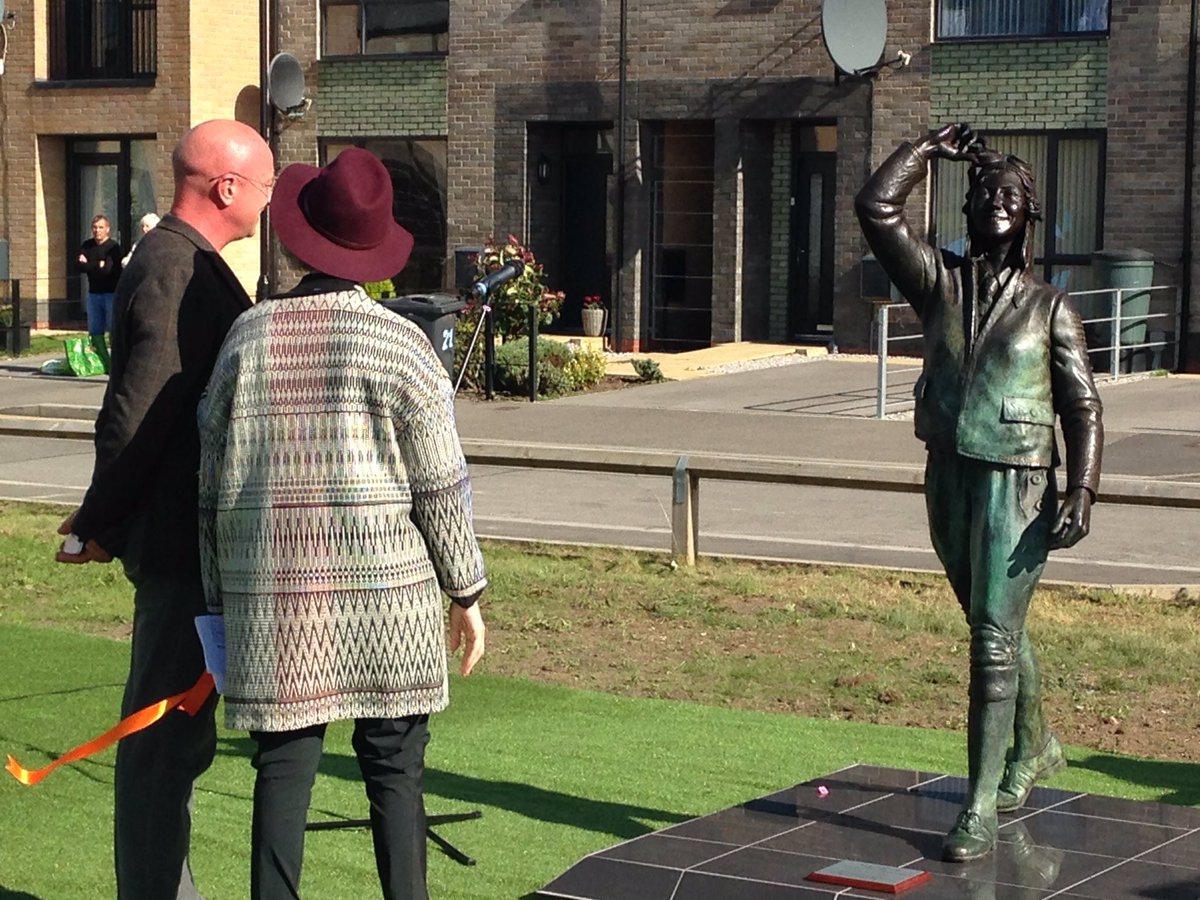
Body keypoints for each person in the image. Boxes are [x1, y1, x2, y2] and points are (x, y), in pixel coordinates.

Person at [197, 146, 487, 900]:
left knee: (283, 771)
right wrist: (467, 592)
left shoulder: (247, 340)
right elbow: (440, 488)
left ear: (302, 238)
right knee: (396, 775)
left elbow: (209, 485)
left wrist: (216, 600)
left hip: (276, 598)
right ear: (376, 252)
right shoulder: (404, 346)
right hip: (390, 598)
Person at [855, 124, 1103, 862]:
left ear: (1029, 216)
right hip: (949, 473)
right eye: (985, 193)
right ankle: (1035, 743)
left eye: (1012, 195)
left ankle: (979, 805)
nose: (997, 201)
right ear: (966, 214)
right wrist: (925, 150)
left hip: (1019, 483)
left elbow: (1083, 406)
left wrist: (1082, 488)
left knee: (992, 643)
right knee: (993, 621)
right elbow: (876, 209)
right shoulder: (940, 283)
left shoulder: (1050, 308)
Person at [55, 119, 274, 899]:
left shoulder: (188, 261)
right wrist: (96, 522)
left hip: (199, 545)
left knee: (178, 740)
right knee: (159, 740)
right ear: (226, 188)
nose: (270, 200)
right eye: (266, 185)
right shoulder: (173, 266)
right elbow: (138, 411)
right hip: (181, 548)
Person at [76, 214, 124, 342]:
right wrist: (98, 264)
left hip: (111, 295)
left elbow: (108, 270)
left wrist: (89, 264)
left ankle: (115, 360)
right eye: (95, 227)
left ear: (107, 229)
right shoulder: (87, 245)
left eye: (101, 227)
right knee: (95, 332)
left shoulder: (113, 247)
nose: (97, 230)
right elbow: (79, 267)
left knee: (113, 331)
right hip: (93, 295)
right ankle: (97, 359)